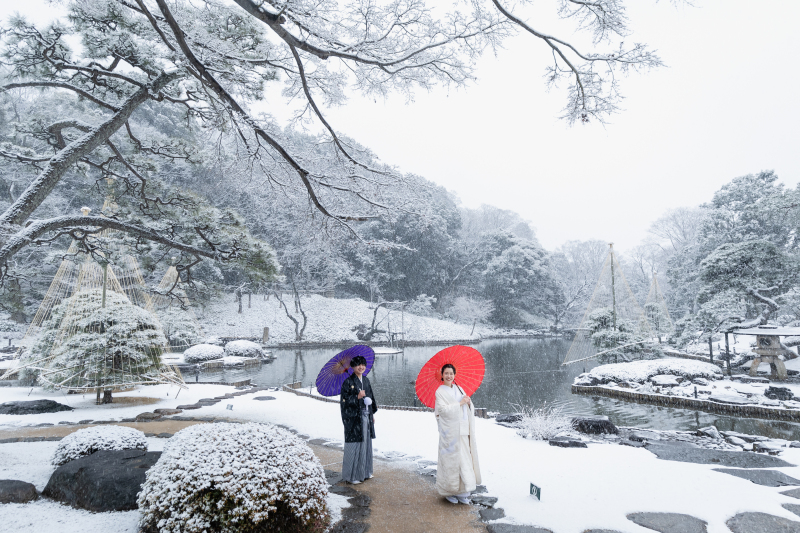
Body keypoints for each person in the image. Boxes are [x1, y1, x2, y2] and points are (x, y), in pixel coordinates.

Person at [435, 363, 481, 504]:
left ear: (454, 375)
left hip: (462, 429)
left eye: (451, 373)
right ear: (442, 375)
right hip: (449, 432)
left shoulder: (459, 388)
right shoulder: (439, 392)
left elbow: (466, 405)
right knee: (451, 461)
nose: (449, 376)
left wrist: (467, 403)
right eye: (446, 373)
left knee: (464, 460)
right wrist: (460, 404)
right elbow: (441, 411)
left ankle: (463, 491)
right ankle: (449, 491)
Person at [340, 355, 378, 484]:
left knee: (366, 444)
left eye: (363, 364)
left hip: (366, 416)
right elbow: (344, 402)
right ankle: (352, 476)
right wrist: (356, 396)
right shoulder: (347, 382)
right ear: (352, 367)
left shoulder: (366, 381)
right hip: (354, 419)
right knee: (354, 445)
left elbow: (371, 397)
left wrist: (371, 414)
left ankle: (365, 472)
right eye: (358, 365)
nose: (361, 367)